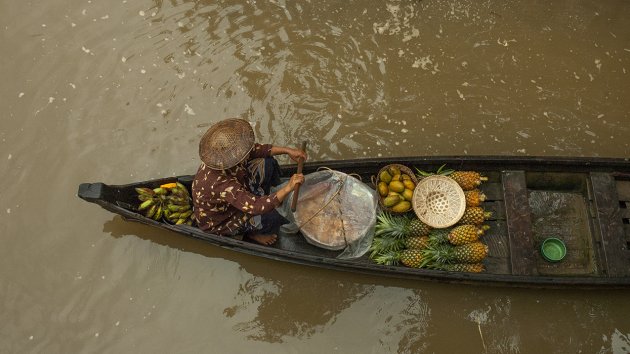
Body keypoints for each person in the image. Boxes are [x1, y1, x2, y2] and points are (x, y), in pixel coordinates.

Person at [192, 118, 307, 246]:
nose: (247, 152)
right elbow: (256, 206)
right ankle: (251, 234)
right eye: (243, 152)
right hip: (223, 220)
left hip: (236, 194)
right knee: (272, 217)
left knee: (268, 163)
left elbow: (256, 150)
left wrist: (288, 151)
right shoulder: (222, 184)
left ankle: (274, 195)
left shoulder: (225, 158)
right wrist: (288, 188)